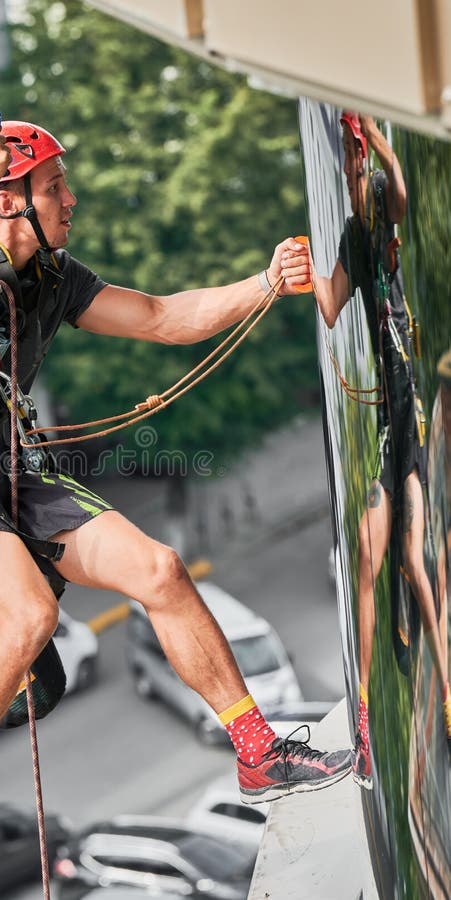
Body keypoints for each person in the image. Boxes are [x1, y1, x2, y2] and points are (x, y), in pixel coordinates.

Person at [0, 111, 353, 900]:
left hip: (7, 466)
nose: (71, 202)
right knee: (27, 616)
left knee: (159, 569)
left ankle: (257, 750)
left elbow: (163, 318)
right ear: (5, 201)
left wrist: (264, 282)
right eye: (54, 188)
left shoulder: (58, 280)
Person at [311, 111, 451, 791]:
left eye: (353, 152)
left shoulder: (381, 217)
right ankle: (363, 720)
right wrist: (296, 271)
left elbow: (398, 191)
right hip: (393, 419)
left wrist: (378, 136)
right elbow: (333, 306)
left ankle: (448, 687)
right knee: (373, 559)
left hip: (411, 410)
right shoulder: (351, 233)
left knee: (412, 557)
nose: (350, 166)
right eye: (346, 154)